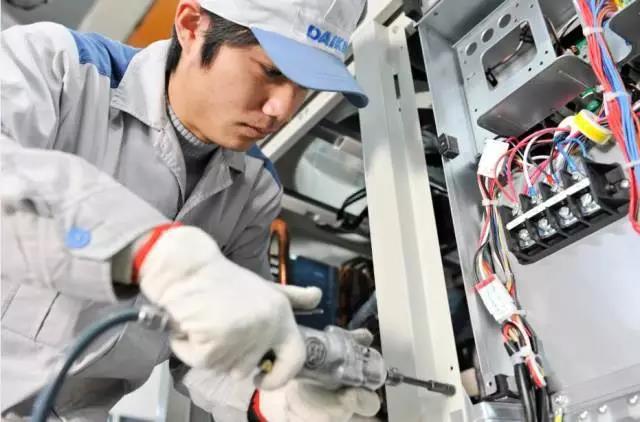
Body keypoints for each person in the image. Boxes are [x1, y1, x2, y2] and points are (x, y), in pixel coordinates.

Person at [0, 0, 381, 420]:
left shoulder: (254, 190)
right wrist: (152, 256)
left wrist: (269, 396)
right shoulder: (58, 68)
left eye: (305, 86)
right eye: (271, 72)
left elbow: (224, 342)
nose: (283, 110)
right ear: (191, 25)